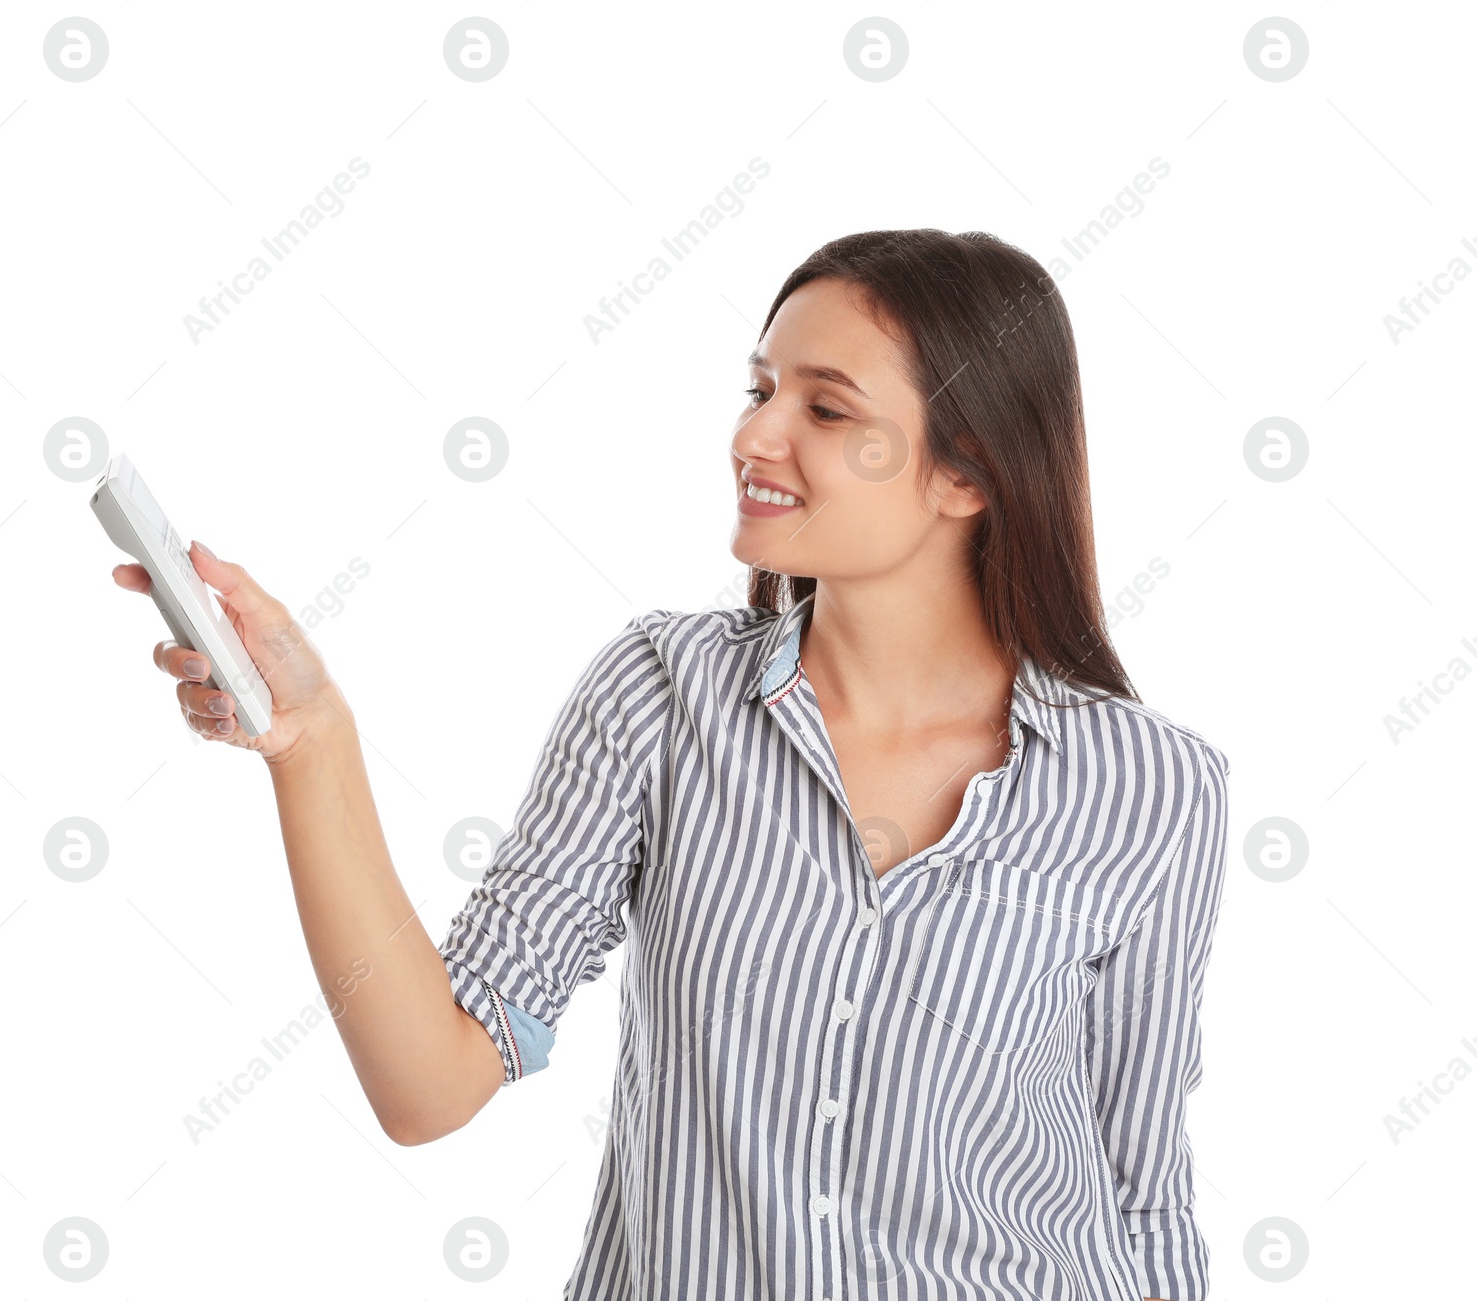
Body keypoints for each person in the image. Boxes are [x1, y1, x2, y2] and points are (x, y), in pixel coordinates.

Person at [111, 229, 1230, 1301]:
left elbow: (1140, 1194)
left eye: (826, 408)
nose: (755, 436)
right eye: (760, 391)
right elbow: (428, 1084)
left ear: (966, 477)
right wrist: (313, 746)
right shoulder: (661, 694)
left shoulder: (1153, 788)